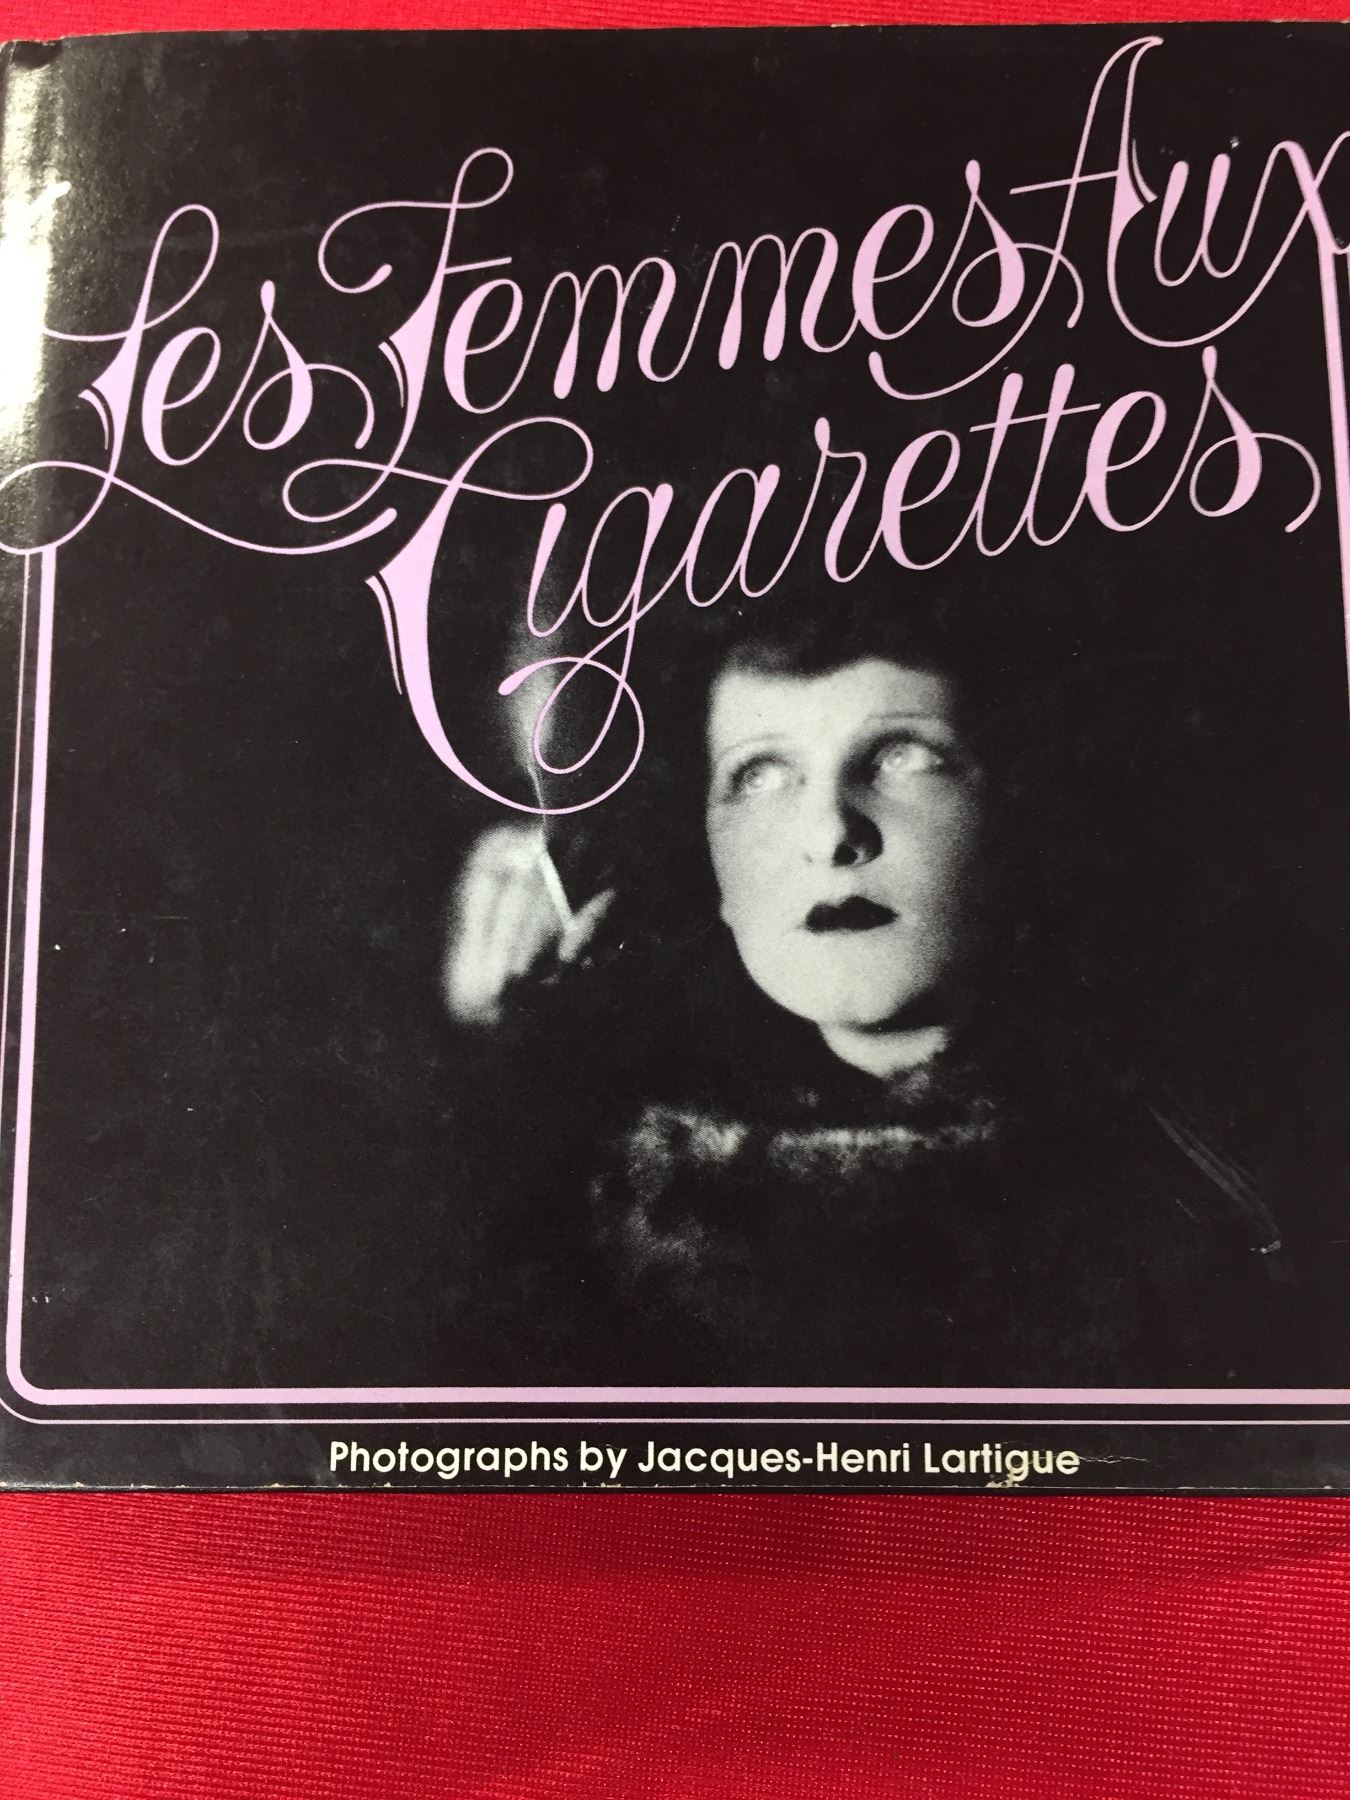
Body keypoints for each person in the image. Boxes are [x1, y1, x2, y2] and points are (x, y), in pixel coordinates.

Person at [439, 588, 1291, 1387]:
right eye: (760, 774)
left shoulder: (1205, 1195)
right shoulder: (597, 1206)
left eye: (902, 755)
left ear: (1013, 814)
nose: (830, 832)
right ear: (712, 864)